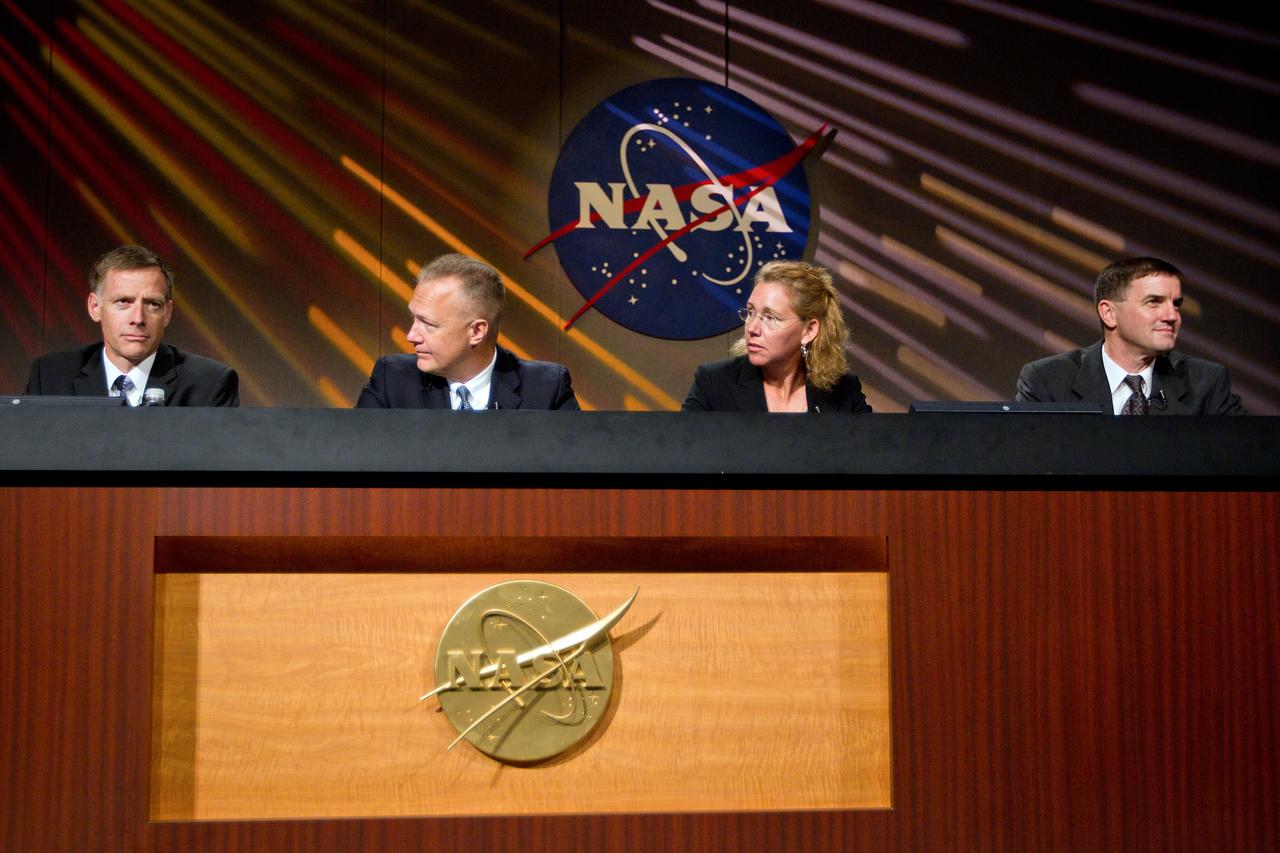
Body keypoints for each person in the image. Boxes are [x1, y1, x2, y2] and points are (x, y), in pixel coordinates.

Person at [1015, 257, 1244, 415]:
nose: (1172, 315)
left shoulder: (1206, 383)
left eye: (1176, 304)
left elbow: (1248, 462)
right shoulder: (1047, 382)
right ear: (1109, 313)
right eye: (1154, 302)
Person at [356, 253, 579, 410]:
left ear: (477, 331)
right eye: (414, 318)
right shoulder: (392, 379)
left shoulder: (547, 389)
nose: (411, 336)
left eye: (429, 325)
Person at [24, 245, 239, 406]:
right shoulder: (51, 376)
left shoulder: (209, 384)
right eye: (123, 302)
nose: (138, 318)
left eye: (152, 304)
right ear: (95, 307)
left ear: (167, 313)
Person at [682, 260, 871, 413]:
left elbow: (876, 455)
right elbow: (682, 454)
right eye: (750, 312)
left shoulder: (844, 391)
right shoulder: (714, 384)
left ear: (809, 330)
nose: (752, 328)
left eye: (770, 317)